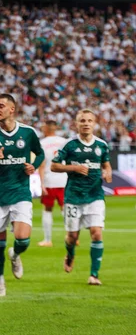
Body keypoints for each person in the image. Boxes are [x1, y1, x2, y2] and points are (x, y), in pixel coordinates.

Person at [0, 94, 44, 297]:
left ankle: (15, 254)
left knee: (22, 239)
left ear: (12, 109)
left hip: (20, 193)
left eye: (0, 106)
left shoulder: (28, 133)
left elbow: (41, 153)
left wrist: (34, 166)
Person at [51, 109, 111, 286]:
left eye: (89, 120)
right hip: (73, 196)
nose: (86, 123)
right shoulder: (69, 145)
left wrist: (107, 173)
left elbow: (106, 164)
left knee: (97, 233)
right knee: (71, 236)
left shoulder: (101, 145)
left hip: (95, 196)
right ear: (76, 124)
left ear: (94, 123)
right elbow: (54, 166)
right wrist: (74, 168)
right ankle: (70, 255)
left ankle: (94, 274)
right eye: (82, 120)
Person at [38, 120, 68, 247]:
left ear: (46, 128)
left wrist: (42, 184)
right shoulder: (64, 142)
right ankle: (72, 237)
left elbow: (42, 165)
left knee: (47, 210)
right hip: (65, 179)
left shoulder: (42, 143)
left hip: (50, 181)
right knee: (66, 209)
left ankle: (48, 240)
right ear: (55, 128)